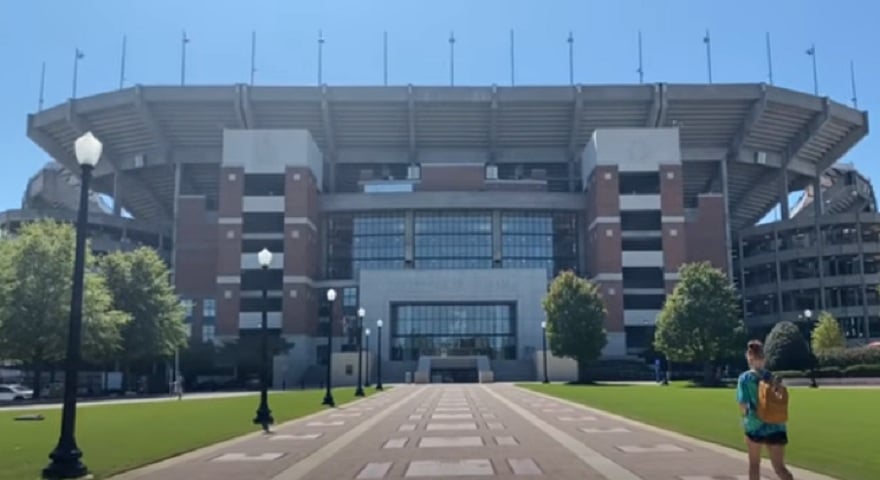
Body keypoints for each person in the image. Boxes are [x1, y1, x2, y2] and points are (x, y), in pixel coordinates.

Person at [736, 340, 793, 480]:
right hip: (776, 424)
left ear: (749, 357)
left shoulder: (744, 378)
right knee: (780, 467)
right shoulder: (771, 377)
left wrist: (744, 418)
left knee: (754, 465)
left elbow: (743, 403)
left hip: (755, 424)